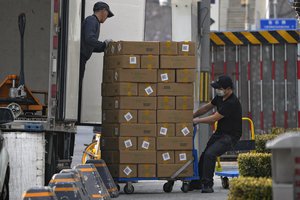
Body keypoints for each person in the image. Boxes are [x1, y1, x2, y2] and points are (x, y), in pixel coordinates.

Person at [189, 75, 242, 193]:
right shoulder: (219, 98)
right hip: (220, 133)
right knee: (204, 155)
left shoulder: (232, 102)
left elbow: (214, 118)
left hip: (231, 136)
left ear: (228, 89)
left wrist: (197, 121)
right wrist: (191, 115)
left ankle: (207, 185)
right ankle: (197, 182)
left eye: (220, 88)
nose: (217, 90)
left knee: (210, 154)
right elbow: (206, 108)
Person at [78, 1, 114, 122]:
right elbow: (89, 39)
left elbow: (91, 46)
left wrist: (105, 47)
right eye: (107, 15)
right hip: (80, 59)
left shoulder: (94, 22)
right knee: (77, 85)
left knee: (79, 84)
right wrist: (103, 44)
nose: (106, 18)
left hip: (82, 59)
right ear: (103, 11)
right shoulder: (92, 21)